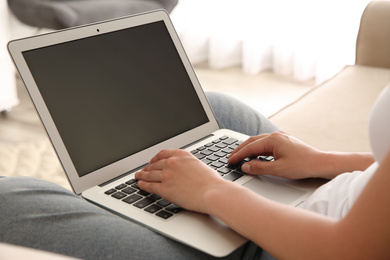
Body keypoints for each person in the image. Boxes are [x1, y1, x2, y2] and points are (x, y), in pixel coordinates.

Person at [1, 87, 389, 259]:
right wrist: (325, 162)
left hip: (289, 247)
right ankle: (142, 209)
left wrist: (212, 193)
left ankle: (149, 214)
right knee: (215, 111)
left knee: (9, 200)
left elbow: (349, 252)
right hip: (330, 199)